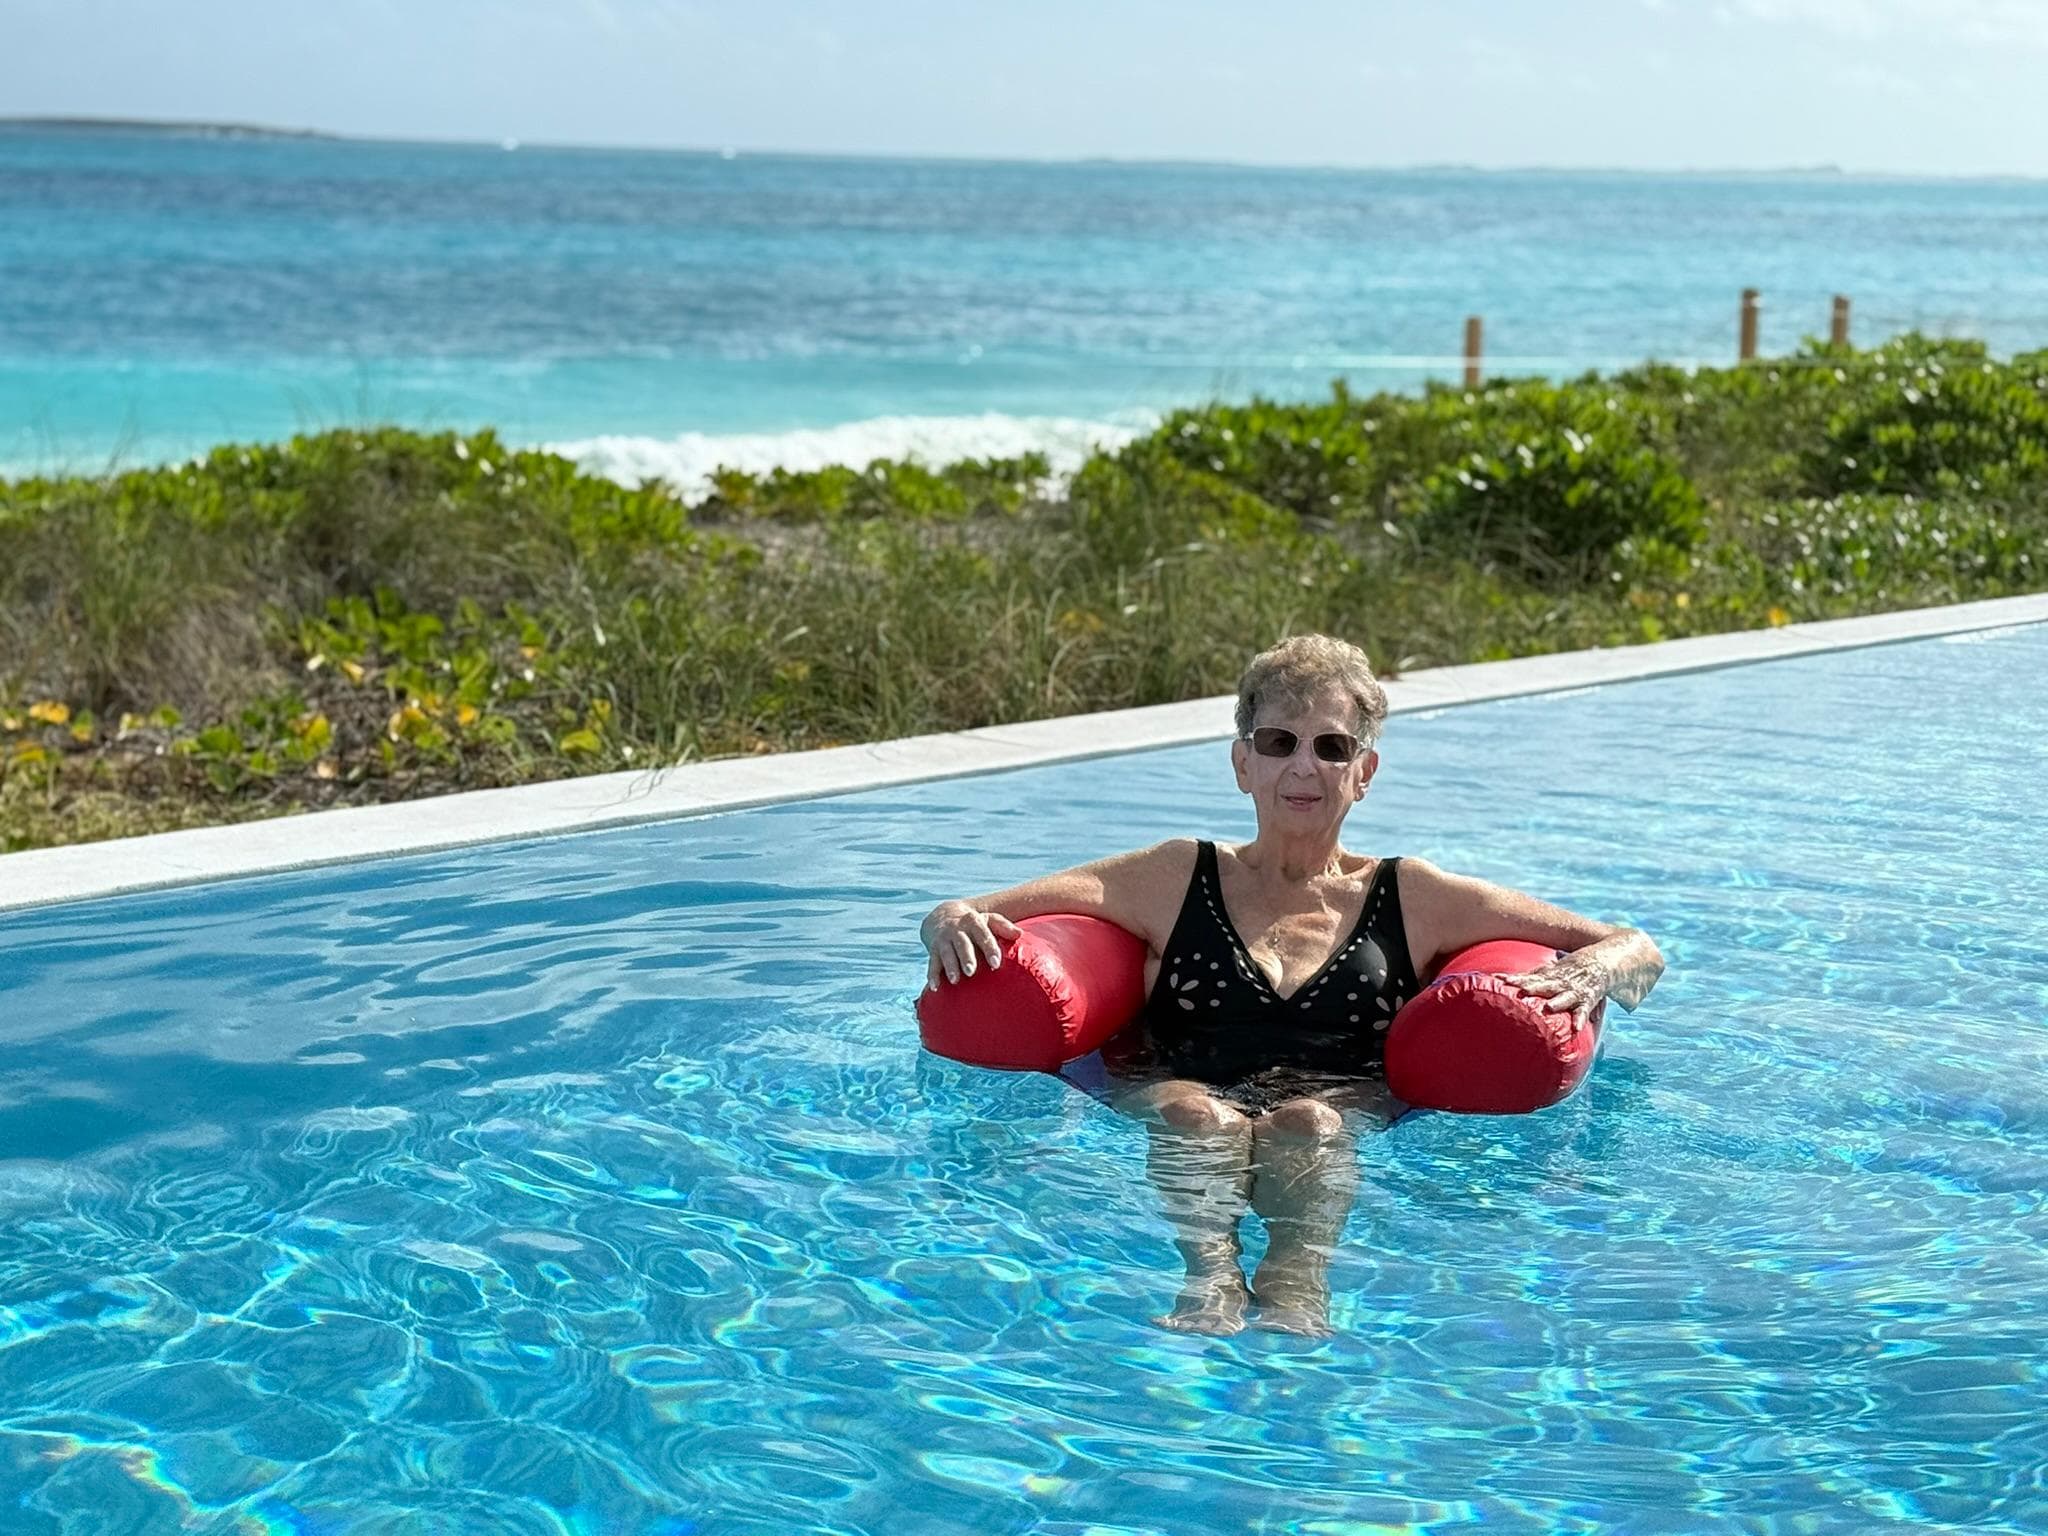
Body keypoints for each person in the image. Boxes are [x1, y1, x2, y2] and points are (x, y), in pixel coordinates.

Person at [919, 634, 1666, 1338]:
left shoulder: (1413, 895)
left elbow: (1637, 949)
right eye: (1279, 742)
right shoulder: (1174, 875)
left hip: (1344, 1102)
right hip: (1174, 1085)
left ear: (1363, 773)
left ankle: (1298, 1280)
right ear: (1243, 762)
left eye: (1331, 747)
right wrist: (945, 923)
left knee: (1308, 1123)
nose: (1303, 767)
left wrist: (1592, 970)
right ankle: (1208, 1275)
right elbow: (965, 908)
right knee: (1196, 1115)